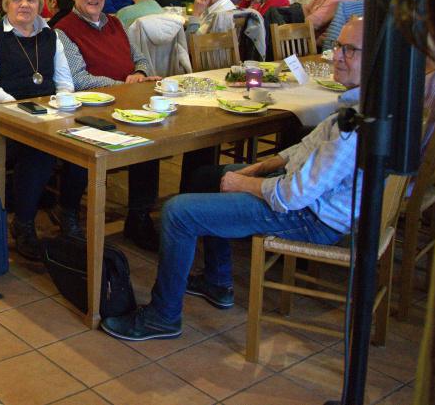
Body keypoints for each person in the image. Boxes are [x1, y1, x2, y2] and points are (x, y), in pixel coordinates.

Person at [101, 18, 367, 341]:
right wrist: (259, 166)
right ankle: (217, 280)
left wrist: (244, 184)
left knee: (178, 212)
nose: (337, 56)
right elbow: (306, 146)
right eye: (338, 46)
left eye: (350, 51)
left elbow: (292, 196)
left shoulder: (356, 127)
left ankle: (163, 316)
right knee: (206, 177)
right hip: (304, 194)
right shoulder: (357, 101)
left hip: (312, 217)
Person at [0, 0, 81, 260]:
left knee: (83, 145)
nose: (24, 5)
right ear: (6, 4)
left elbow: (65, 81)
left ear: (40, 4)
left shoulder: (50, 35)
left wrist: (60, 105)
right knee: (39, 151)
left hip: (47, 115)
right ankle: (23, 225)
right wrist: (21, 108)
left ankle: (67, 212)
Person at [54, 0, 160, 250]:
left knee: (151, 141)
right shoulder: (63, 30)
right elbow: (79, 79)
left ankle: (138, 216)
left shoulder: (116, 23)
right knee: (84, 145)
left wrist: (139, 72)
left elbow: (140, 57)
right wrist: (123, 84)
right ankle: (69, 215)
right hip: (90, 109)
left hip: (128, 103)